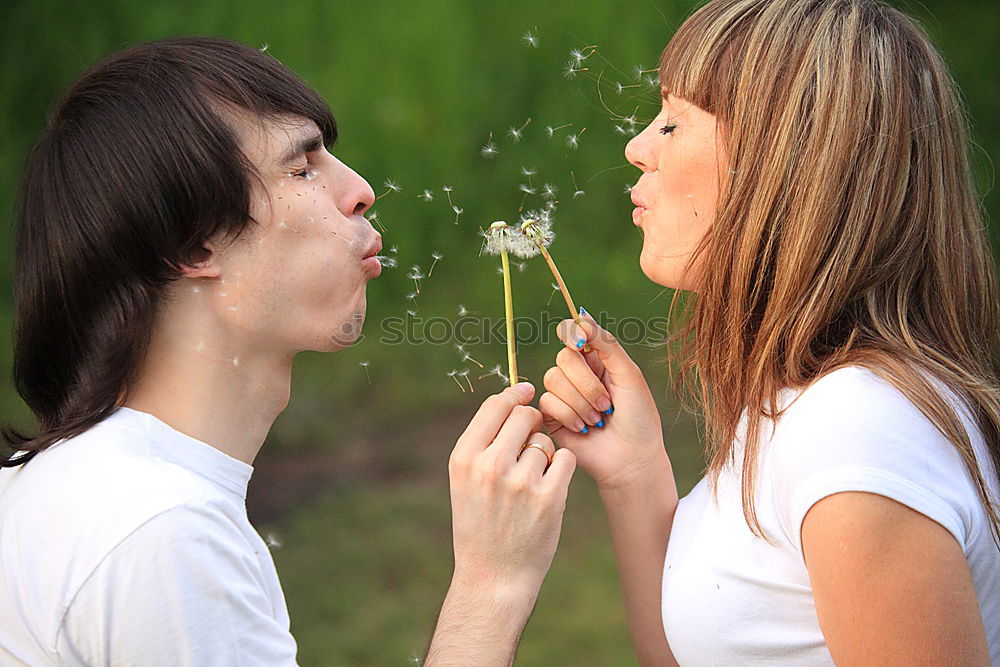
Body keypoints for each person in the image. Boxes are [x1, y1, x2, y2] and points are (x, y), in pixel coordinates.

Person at [0, 37, 574, 665]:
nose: (358, 189)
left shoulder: (78, 487)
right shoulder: (162, 537)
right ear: (192, 247)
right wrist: (491, 586)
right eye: (302, 169)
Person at [538, 0, 1000, 664]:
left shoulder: (857, 434)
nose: (637, 146)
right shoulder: (806, 400)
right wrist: (635, 472)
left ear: (786, 161)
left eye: (673, 121)